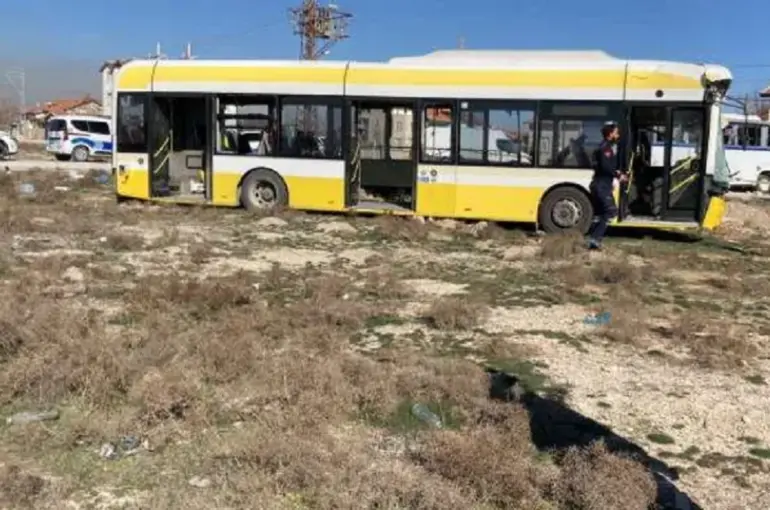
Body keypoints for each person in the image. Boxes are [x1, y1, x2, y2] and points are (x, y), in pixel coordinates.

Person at [587, 121, 625, 250]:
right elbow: (605, 166)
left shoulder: (603, 146)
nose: (618, 134)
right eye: (616, 132)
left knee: (599, 214)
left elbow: (603, 165)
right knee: (611, 211)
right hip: (602, 185)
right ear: (610, 133)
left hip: (598, 184)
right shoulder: (606, 148)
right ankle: (595, 240)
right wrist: (618, 175)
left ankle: (592, 240)